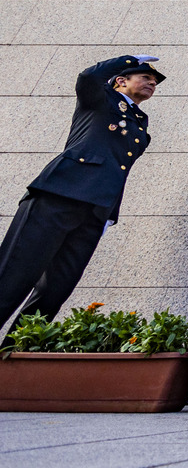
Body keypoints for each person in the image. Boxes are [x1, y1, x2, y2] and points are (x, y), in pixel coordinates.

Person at [0, 55, 164, 334]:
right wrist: (129, 59)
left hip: (95, 212)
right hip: (58, 196)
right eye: (145, 77)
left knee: (55, 290)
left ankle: (15, 353)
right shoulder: (101, 101)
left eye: (154, 81)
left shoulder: (140, 126)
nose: (152, 83)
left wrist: (108, 216)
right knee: (15, 275)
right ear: (121, 81)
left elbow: (118, 171)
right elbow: (88, 78)